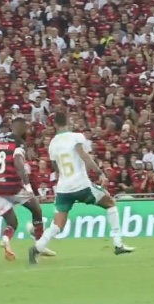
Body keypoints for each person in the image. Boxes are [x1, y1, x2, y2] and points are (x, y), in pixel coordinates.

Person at [29, 112, 135, 264]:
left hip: (63, 188)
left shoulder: (52, 143)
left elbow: (55, 167)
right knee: (110, 203)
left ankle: (37, 248)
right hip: (81, 185)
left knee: (57, 224)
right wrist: (99, 172)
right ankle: (118, 244)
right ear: (67, 121)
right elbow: (84, 155)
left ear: (55, 124)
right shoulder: (76, 137)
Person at [0, 116, 54, 261]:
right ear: (20, 127)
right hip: (12, 186)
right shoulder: (18, 142)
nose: (28, 130)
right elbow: (18, 163)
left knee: (12, 222)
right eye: (26, 127)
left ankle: (6, 239)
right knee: (36, 208)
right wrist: (28, 185)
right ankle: (40, 244)